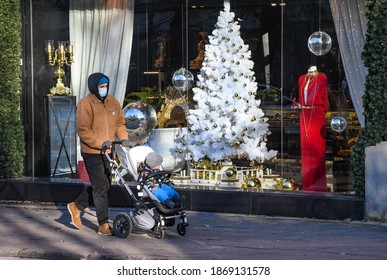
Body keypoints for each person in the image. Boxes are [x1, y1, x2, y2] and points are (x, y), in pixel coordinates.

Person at [67, 72, 129, 235]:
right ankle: (103, 224)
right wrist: (99, 143)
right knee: (100, 187)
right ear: (94, 87)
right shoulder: (85, 103)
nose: (104, 89)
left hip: (108, 150)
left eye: (105, 86)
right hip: (92, 151)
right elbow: (83, 130)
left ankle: (76, 206)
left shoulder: (112, 102)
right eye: (101, 87)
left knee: (105, 184)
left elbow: (120, 123)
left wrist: (123, 138)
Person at [298, 66, 329, 192]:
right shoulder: (301, 79)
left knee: (317, 148)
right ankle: (307, 183)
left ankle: (318, 184)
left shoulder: (322, 78)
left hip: (317, 113)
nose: (311, 74)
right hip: (304, 114)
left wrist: (323, 112)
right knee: (306, 150)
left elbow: (325, 100)